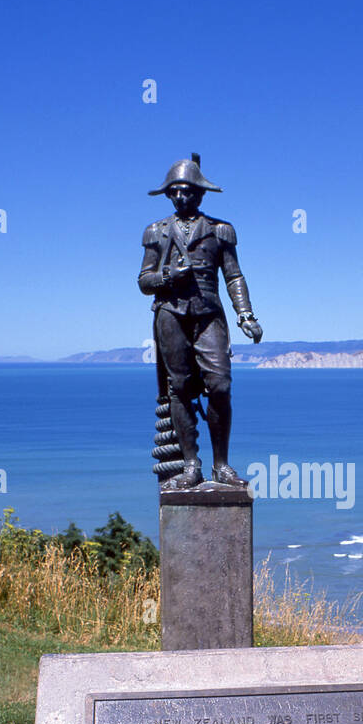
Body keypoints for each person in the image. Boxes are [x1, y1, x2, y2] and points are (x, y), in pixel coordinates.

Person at [138, 155, 263, 489]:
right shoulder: (156, 231)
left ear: (200, 193)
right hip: (171, 316)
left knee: (219, 385)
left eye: (187, 191)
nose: (181, 197)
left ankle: (221, 464)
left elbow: (234, 276)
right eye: (174, 192)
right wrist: (168, 275)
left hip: (208, 315)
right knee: (178, 388)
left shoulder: (220, 231)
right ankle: (191, 464)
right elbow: (143, 281)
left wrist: (245, 314)